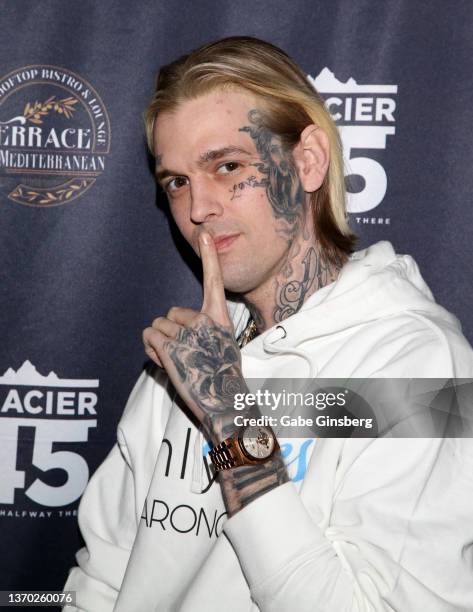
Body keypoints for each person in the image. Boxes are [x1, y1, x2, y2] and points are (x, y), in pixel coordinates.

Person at [64, 37, 473, 611]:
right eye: (176, 181)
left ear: (306, 161)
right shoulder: (191, 352)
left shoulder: (423, 362)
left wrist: (229, 417)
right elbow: (105, 577)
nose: (197, 207)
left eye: (227, 167)